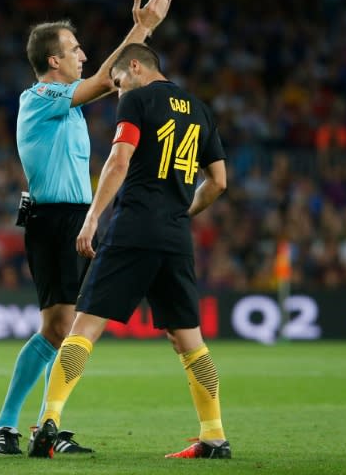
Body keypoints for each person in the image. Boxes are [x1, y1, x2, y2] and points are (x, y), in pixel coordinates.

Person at [0, 0, 174, 456]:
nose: (83, 54)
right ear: (53, 62)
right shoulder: (41, 96)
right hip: (54, 220)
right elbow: (112, 78)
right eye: (74, 49)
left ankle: (40, 425)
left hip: (72, 219)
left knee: (62, 330)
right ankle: (12, 425)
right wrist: (143, 28)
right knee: (62, 328)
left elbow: (105, 80)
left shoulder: (64, 104)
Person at [27, 43, 230, 459]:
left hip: (133, 228)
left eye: (118, 82)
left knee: (83, 329)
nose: (118, 91)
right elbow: (219, 181)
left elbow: (119, 161)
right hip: (175, 236)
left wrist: (92, 218)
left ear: (134, 67)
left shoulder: (138, 100)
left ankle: (48, 424)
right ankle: (214, 436)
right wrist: (181, 213)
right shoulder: (199, 108)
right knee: (189, 340)